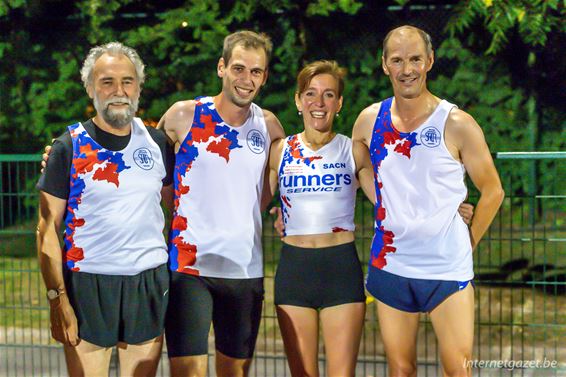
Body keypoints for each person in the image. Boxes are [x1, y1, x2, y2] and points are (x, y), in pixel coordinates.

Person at [352, 26, 505, 377]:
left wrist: (468, 242)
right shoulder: (368, 120)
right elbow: (359, 163)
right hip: (391, 265)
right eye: (398, 60)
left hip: (446, 270)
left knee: (457, 370)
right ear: (384, 65)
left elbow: (493, 191)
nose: (407, 69)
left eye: (416, 59)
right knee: (400, 369)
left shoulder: (457, 123)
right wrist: (377, 193)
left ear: (430, 61)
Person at [36, 42, 174, 377]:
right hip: (88, 283)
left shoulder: (157, 144)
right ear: (90, 88)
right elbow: (46, 230)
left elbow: (173, 211)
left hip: (148, 281)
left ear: (139, 87)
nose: (119, 91)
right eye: (107, 81)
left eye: (127, 81)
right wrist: (58, 299)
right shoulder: (68, 147)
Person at [158, 30, 285, 377]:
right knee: (187, 372)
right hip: (189, 269)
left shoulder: (270, 126)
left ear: (264, 77)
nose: (247, 79)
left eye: (256, 72)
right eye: (239, 68)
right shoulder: (182, 116)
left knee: (234, 373)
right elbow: (151, 174)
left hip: (244, 269)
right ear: (221, 67)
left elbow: (272, 188)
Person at [267, 60, 372, 377]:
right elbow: (246, 202)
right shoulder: (279, 150)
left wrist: (450, 207)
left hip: (340, 268)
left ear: (339, 103)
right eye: (310, 93)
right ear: (298, 101)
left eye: (328, 94)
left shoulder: (353, 151)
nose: (319, 102)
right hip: (295, 270)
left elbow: (390, 202)